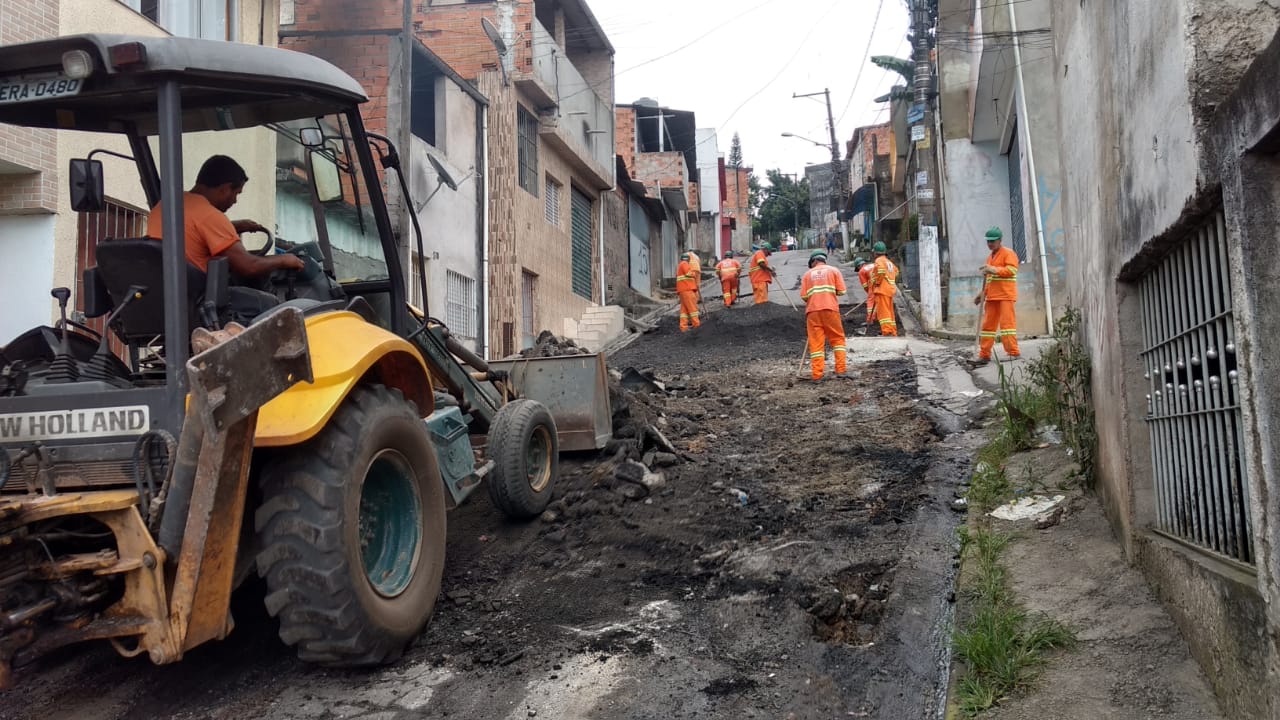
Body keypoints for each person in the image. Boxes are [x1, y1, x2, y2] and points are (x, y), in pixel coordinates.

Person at [148, 155, 304, 278]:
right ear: (225, 189)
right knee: (265, 303)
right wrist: (284, 259)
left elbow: (190, 232)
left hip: (160, 292)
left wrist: (234, 226)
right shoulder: (210, 215)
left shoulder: (166, 205)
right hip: (193, 301)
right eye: (236, 194)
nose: (235, 201)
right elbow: (249, 266)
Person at [974, 226, 1021, 362]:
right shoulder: (990, 258)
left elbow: (1012, 270)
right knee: (987, 327)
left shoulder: (1008, 253)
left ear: (1000, 240)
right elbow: (990, 280)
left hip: (1006, 295)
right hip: (993, 296)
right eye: (988, 241)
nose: (990, 244)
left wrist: (994, 269)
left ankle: (1013, 352)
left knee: (1007, 326)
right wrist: (982, 294)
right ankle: (984, 354)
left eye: (992, 241)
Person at [800, 250, 848, 380]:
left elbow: (804, 296)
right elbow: (842, 291)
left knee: (816, 344)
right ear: (823, 259)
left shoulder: (807, 275)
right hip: (830, 309)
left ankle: (817, 375)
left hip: (813, 312)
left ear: (814, 261)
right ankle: (841, 370)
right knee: (837, 339)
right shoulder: (834, 271)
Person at [869, 241, 898, 336]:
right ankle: (892, 330)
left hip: (882, 290)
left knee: (883, 312)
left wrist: (877, 282)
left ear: (876, 253)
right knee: (890, 312)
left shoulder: (879, 261)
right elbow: (896, 272)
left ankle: (887, 331)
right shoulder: (888, 262)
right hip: (889, 290)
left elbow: (880, 271)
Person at [675, 252, 701, 332]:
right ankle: (696, 325)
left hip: (683, 290)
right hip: (687, 290)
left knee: (684, 310)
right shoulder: (684, 263)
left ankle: (683, 327)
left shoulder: (680, 265)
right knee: (693, 308)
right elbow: (689, 273)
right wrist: (693, 273)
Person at [855, 256, 877, 330]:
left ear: (859, 266)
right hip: (882, 285)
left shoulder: (862, 271)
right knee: (880, 302)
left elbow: (865, 285)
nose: (858, 270)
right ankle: (877, 317)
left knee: (870, 303)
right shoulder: (873, 265)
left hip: (873, 286)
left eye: (857, 268)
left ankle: (870, 320)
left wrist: (870, 293)